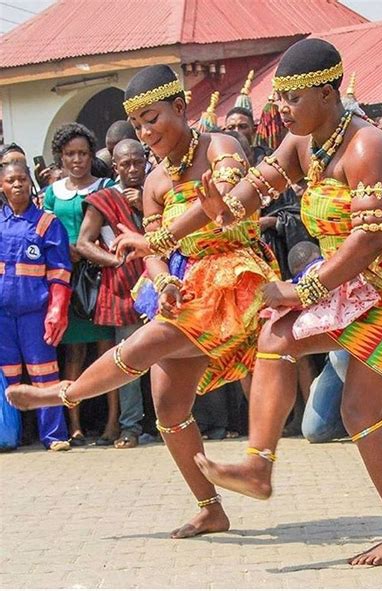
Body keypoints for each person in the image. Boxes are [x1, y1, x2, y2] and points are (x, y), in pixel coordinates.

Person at [192, 38, 382, 566]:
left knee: (345, 394)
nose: (282, 110)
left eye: (291, 98)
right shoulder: (301, 142)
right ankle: (264, 469)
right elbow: (246, 200)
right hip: (358, 287)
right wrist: (219, 209)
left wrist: (303, 290)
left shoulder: (367, 148)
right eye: (280, 100)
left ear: (325, 92)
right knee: (314, 367)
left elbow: (368, 241)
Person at [7, 64, 278, 539]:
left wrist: (159, 245)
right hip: (191, 282)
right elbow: (155, 250)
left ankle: (63, 393)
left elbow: (231, 201)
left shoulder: (222, 147)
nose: (145, 132)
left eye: (152, 119)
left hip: (237, 274)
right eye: (136, 126)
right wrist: (162, 279)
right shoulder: (154, 181)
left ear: (180, 107)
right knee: (168, 404)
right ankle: (210, 508)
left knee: (143, 345)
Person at [43, 123, 118, 446]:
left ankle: (112, 423)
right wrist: (65, 252)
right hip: (66, 282)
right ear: (61, 157)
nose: (77, 160)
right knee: (73, 354)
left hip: (102, 278)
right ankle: (73, 423)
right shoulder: (51, 194)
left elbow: (116, 229)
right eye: (70, 154)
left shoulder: (106, 186)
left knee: (108, 353)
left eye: (83, 154)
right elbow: (44, 232)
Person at [76, 139, 147, 448]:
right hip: (127, 289)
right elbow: (84, 243)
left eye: (137, 162)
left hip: (168, 282)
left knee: (174, 356)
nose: (133, 169)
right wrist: (116, 260)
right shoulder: (104, 199)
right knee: (130, 358)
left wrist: (145, 205)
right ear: (115, 167)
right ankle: (131, 426)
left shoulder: (162, 187)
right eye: (126, 164)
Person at [0, 161, 71, 451]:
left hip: (35, 314)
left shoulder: (47, 223)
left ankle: (54, 436)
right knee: (8, 378)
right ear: (1, 186)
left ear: (31, 184)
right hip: (3, 317)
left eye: (22, 179)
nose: (17, 185)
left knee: (45, 374)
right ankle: (9, 436)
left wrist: (57, 310)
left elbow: (60, 272)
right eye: (10, 180)